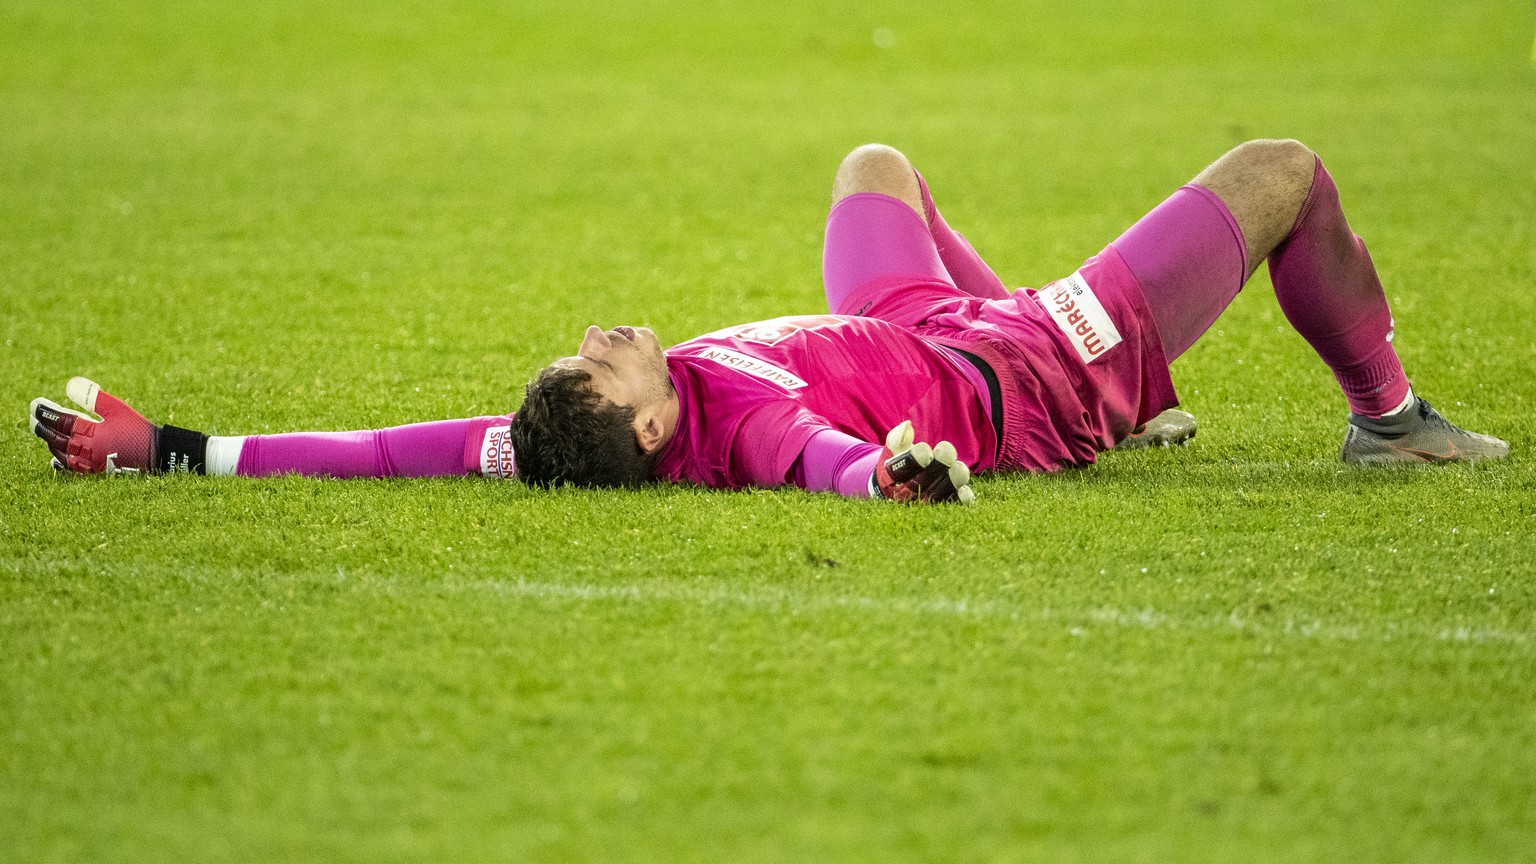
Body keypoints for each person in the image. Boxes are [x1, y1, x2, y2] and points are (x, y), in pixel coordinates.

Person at [29, 141, 1509, 503]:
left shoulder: (560, 438)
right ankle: (1388, 417)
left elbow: (372, 450)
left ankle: (1110, 367)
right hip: (1027, 373)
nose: (601, 338)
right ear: (659, 423)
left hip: (912, 318)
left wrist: (170, 447)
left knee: (877, 167)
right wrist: (900, 476)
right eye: (604, 363)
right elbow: (824, 462)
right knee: (1280, 174)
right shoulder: (735, 420)